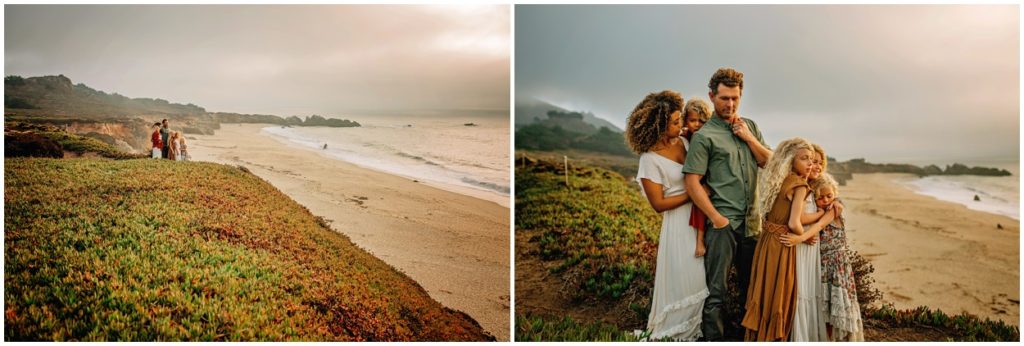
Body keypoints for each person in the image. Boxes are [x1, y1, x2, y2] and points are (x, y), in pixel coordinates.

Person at [682, 68, 772, 340]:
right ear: (712, 96)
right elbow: (692, 182)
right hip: (722, 226)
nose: (729, 104)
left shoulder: (751, 126)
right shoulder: (704, 136)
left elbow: (768, 161)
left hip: (752, 224)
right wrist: (716, 218)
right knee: (717, 294)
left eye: (735, 98)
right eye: (723, 98)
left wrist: (749, 137)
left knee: (752, 290)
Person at [625, 90, 708, 341]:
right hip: (678, 224)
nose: (680, 124)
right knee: (685, 278)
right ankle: (675, 332)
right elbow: (658, 204)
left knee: (701, 279)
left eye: (679, 119)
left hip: (699, 218)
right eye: (674, 122)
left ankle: (694, 330)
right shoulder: (649, 159)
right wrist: (694, 194)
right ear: (660, 125)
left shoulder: (684, 141)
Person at [782, 173, 864, 341]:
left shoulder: (834, 210)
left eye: (829, 196)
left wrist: (800, 238)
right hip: (825, 267)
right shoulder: (819, 211)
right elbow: (807, 220)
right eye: (821, 198)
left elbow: (820, 225)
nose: (826, 200)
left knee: (842, 308)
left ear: (835, 195)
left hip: (839, 265)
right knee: (827, 309)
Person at [789, 143, 829, 341]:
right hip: (801, 242)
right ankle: (801, 336)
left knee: (811, 288)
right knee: (801, 288)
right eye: (813, 162)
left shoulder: (815, 188)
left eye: (820, 163)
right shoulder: (801, 186)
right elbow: (798, 217)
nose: (817, 166)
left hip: (810, 243)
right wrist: (820, 214)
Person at [682, 98, 712, 254]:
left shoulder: (705, 135)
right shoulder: (686, 136)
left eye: (701, 121)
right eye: (692, 120)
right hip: (693, 175)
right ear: (685, 119)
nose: (697, 124)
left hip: (706, 174)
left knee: (701, 202)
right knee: (698, 200)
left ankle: (700, 239)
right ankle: (699, 240)